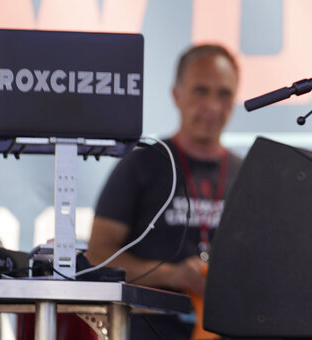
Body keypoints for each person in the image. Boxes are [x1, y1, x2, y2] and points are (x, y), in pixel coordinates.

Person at [86, 44, 245, 340]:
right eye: (201, 91)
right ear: (176, 94)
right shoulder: (142, 163)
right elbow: (97, 256)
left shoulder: (245, 174)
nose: (213, 106)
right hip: (148, 330)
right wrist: (171, 275)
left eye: (224, 94)